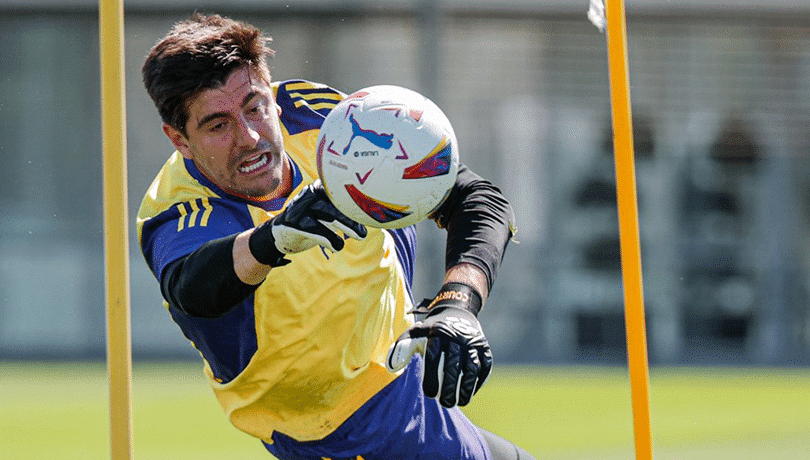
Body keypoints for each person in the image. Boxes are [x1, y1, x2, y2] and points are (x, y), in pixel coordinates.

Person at [137, 13, 535, 460]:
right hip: (344, 432)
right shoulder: (178, 210)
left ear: (272, 94)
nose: (248, 137)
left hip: (402, 383)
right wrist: (276, 238)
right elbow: (193, 289)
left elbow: (478, 200)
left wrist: (458, 304)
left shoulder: (322, 120)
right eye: (217, 125)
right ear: (180, 140)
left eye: (254, 107)